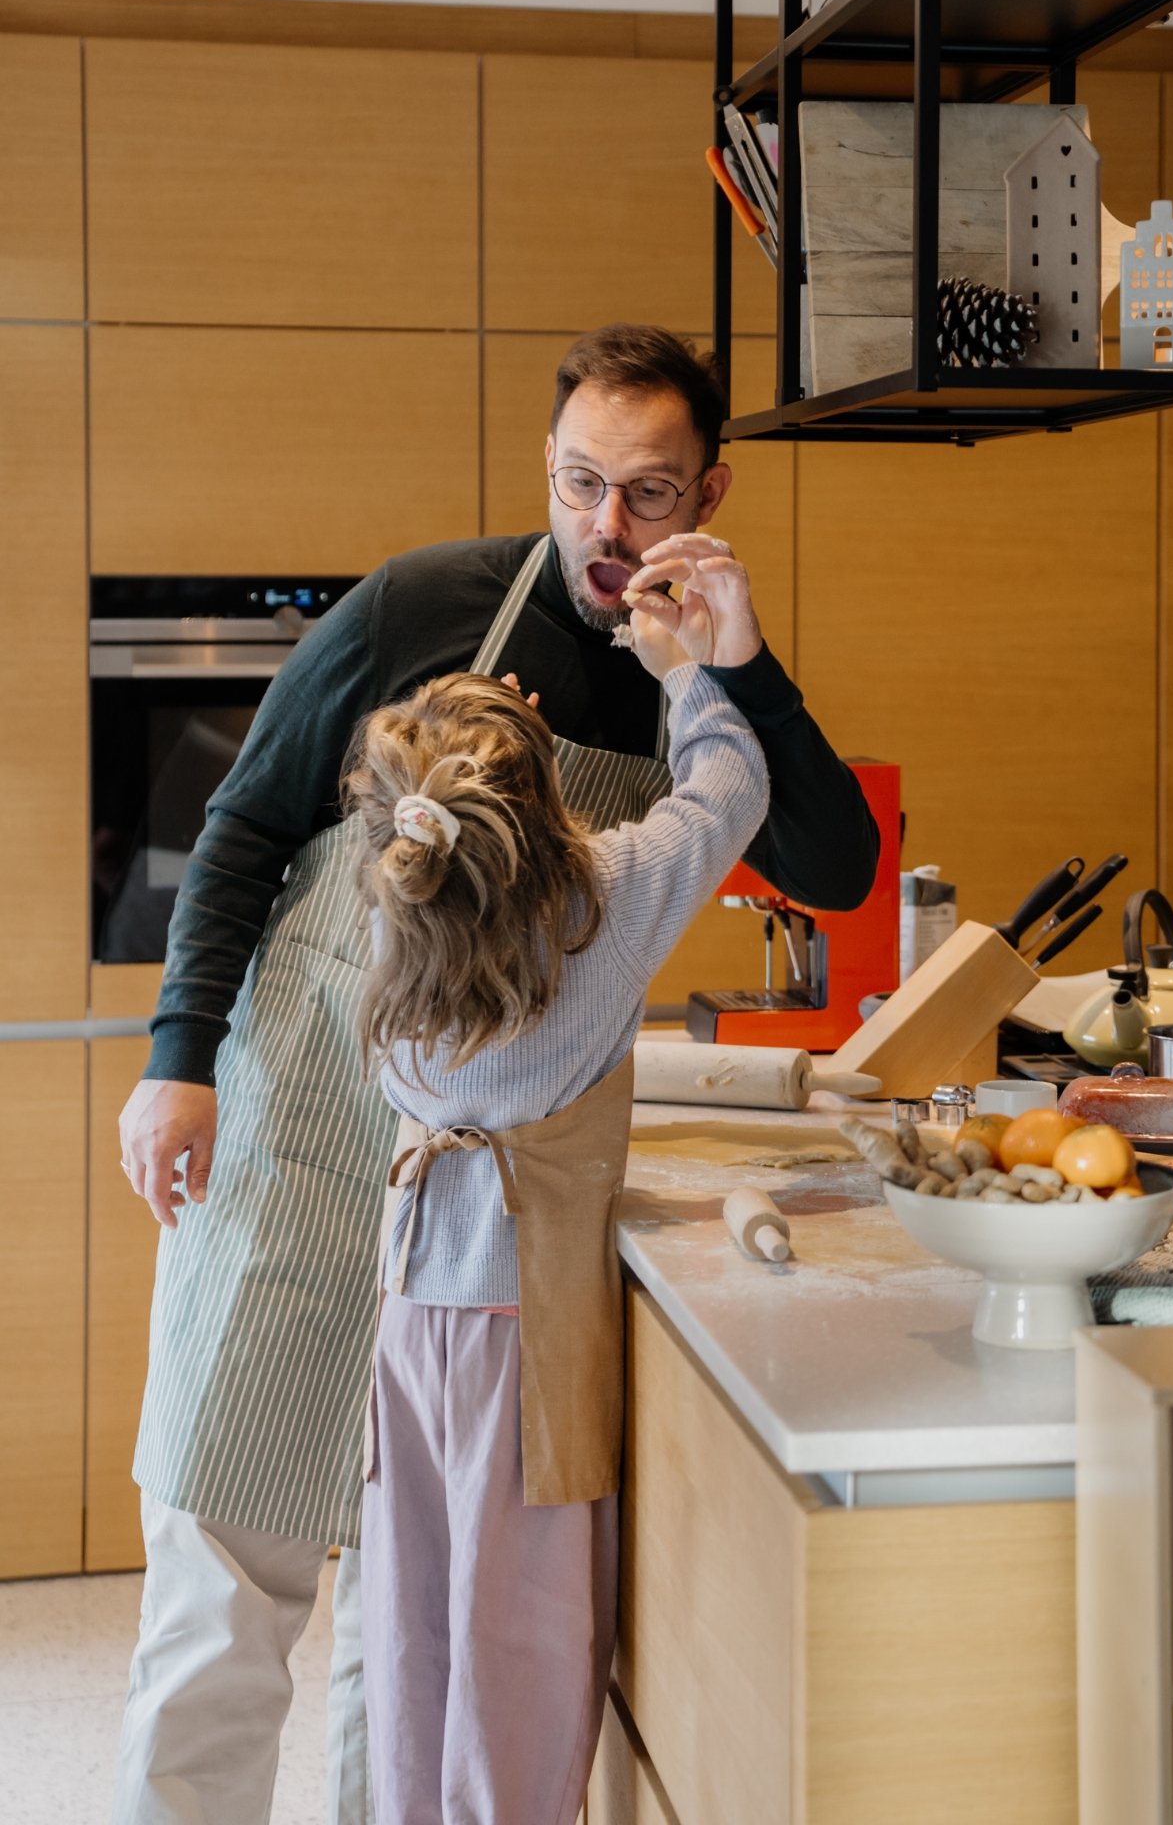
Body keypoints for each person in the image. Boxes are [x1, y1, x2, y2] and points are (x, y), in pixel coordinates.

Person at [112, 323, 879, 1825]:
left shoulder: (691, 675)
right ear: (549, 466)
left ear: (710, 490)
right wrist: (175, 1060)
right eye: (582, 483)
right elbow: (246, 828)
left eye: (650, 494)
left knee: (402, 1646)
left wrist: (739, 660)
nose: (607, 529)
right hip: (298, 1138)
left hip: (479, 1226)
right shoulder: (423, 604)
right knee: (224, 1586)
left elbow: (838, 866)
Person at [347, 581, 767, 1821]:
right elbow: (729, 787)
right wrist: (681, 668)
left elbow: (467, 841)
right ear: (546, 814)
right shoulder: (604, 901)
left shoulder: (399, 917)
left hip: (412, 1309)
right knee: (519, 1647)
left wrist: (492, 748)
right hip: (524, 1334)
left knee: (413, 1621)